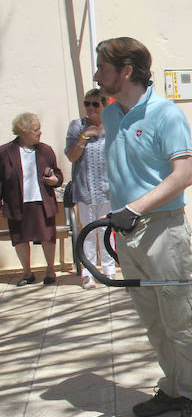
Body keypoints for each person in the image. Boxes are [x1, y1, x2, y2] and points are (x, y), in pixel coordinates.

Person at [94, 37, 192, 417]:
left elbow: (183, 175)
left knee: (180, 319)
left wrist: (137, 207)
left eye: (103, 68)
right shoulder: (112, 115)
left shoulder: (166, 114)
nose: (97, 76)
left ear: (126, 71)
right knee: (153, 321)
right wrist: (122, 214)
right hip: (127, 230)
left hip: (162, 227)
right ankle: (175, 388)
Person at [0, 113, 63, 286]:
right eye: (36, 130)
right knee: (20, 238)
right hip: (17, 203)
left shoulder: (45, 150)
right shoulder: (5, 152)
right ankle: (27, 273)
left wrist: (54, 180)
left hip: (42, 202)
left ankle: (50, 271)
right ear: (23, 131)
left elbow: (58, 175)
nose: (39, 133)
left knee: (47, 237)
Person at [65, 88, 116, 288]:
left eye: (95, 104)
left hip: (107, 190)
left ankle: (109, 271)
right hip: (85, 190)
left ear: (104, 105)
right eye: (87, 103)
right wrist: (84, 136)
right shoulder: (77, 126)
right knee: (87, 231)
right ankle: (87, 271)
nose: (90, 108)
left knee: (105, 231)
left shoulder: (113, 126)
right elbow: (71, 156)